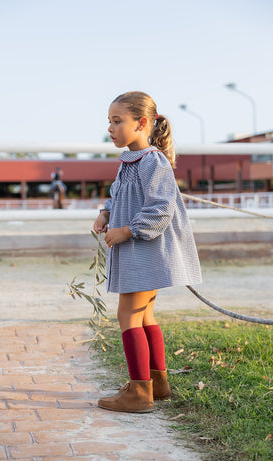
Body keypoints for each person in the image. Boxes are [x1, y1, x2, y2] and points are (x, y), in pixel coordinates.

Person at [93, 91, 202, 413]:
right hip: (140, 252)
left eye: (117, 121)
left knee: (127, 314)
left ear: (142, 123)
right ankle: (157, 383)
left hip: (145, 251)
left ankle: (139, 393)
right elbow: (121, 196)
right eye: (109, 122)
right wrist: (106, 213)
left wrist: (126, 230)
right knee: (145, 315)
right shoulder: (132, 161)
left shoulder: (152, 161)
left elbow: (160, 207)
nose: (110, 129)